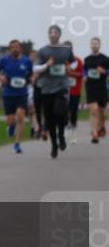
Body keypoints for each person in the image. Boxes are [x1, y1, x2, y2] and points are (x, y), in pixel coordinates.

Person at [34, 24, 73, 159]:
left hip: (62, 86)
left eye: (55, 32)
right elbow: (35, 68)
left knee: (59, 112)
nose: (53, 34)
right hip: (47, 88)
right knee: (50, 118)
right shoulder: (43, 51)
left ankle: (61, 135)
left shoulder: (66, 49)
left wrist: (69, 67)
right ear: (48, 35)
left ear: (59, 35)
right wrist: (46, 65)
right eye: (51, 32)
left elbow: (73, 63)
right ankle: (54, 145)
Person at [0, 39, 32, 154]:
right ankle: (11, 125)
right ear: (10, 49)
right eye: (12, 47)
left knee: (20, 116)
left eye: (17, 47)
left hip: (22, 93)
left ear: (20, 48)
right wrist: (1, 77)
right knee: (10, 120)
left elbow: (31, 74)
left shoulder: (26, 61)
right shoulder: (4, 60)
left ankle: (17, 144)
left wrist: (31, 79)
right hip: (8, 93)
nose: (15, 49)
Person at [84, 36, 109, 144]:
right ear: (90, 45)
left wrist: (104, 72)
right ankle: (94, 133)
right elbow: (84, 70)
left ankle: (101, 126)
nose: (94, 45)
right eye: (93, 43)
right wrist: (84, 76)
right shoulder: (87, 59)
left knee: (102, 112)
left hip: (102, 88)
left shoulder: (105, 59)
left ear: (99, 45)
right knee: (94, 111)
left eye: (96, 44)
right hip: (90, 88)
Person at [65, 41, 84, 144]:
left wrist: (70, 72)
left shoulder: (78, 61)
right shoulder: (60, 61)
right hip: (62, 91)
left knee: (73, 112)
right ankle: (64, 132)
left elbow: (82, 74)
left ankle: (73, 134)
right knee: (62, 111)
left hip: (75, 91)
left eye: (69, 49)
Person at [29, 49, 45, 140]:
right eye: (32, 56)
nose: (33, 58)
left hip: (38, 90)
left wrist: (35, 77)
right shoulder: (27, 66)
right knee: (31, 111)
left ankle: (37, 129)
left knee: (36, 110)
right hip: (28, 90)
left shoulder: (40, 66)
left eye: (35, 56)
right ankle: (34, 127)